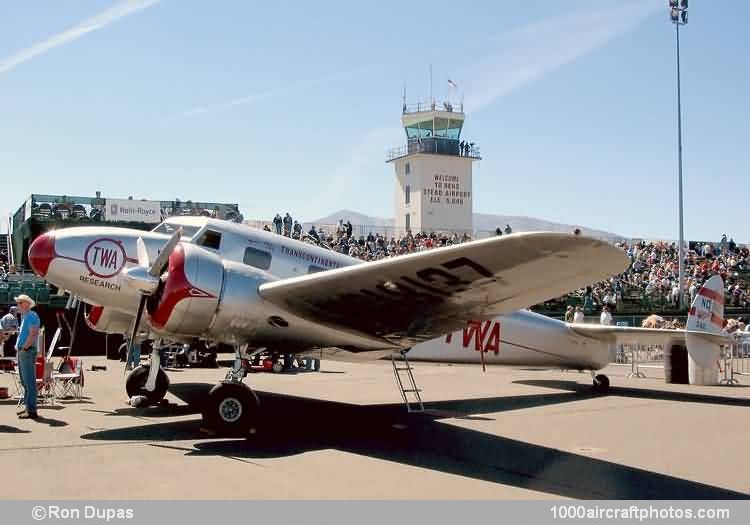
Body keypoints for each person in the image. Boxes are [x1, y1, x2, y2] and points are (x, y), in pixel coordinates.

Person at [14, 294, 41, 419]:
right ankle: (28, 408)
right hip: (24, 351)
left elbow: (33, 334)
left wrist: (24, 347)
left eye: (20, 303)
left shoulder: (31, 315)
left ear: (26, 303)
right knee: (25, 381)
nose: (18, 305)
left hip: (27, 351)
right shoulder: (27, 316)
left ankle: (31, 410)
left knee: (29, 381)